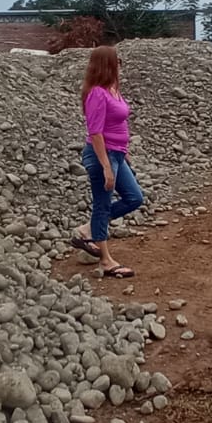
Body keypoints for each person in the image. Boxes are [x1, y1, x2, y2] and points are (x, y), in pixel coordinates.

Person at [69, 45, 144, 277]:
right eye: (117, 61)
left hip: (117, 154)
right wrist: (106, 167)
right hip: (102, 155)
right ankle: (105, 261)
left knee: (134, 198)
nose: (120, 65)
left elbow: (119, 122)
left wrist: (125, 151)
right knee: (102, 205)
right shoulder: (97, 94)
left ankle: (88, 229)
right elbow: (95, 132)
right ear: (107, 65)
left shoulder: (113, 89)